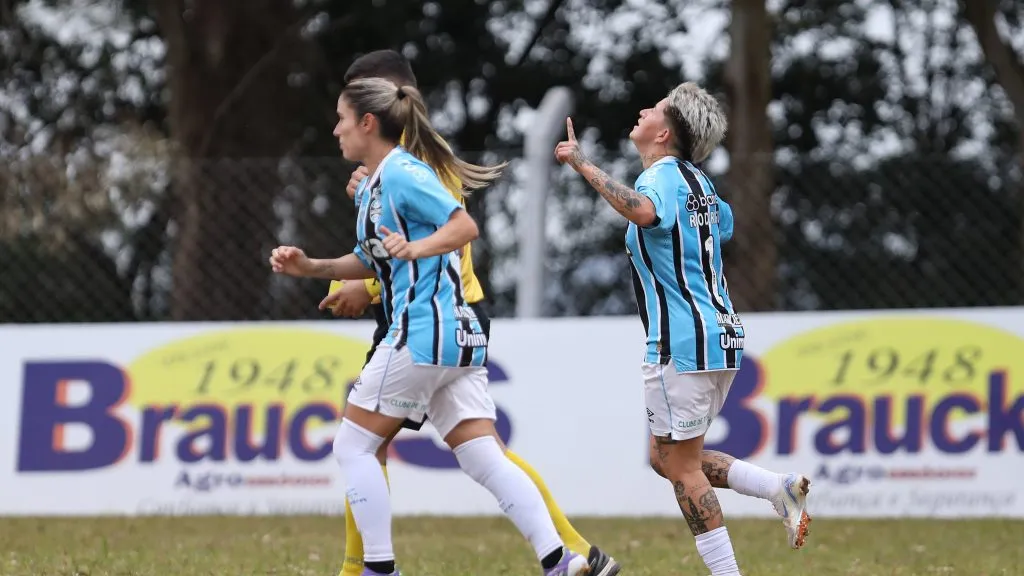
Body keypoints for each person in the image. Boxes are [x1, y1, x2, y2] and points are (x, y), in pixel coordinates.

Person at [270, 76, 591, 576]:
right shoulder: (377, 182)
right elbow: (369, 259)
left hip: (422, 330)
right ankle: (560, 560)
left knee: (353, 445)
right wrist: (310, 266)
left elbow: (463, 225)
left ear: (368, 123)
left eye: (342, 118)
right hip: (454, 337)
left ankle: (378, 569)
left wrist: (415, 249)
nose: (336, 130)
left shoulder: (401, 172)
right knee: (482, 455)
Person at [554, 82, 812, 576]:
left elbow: (643, 211)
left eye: (652, 108)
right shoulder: (700, 183)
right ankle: (775, 487)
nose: (642, 110)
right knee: (666, 456)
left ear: (664, 132)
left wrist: (582, 164)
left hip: (682, 341)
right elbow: (726, 226)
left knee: (681, 468)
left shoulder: (664, 177)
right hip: (721, 337)